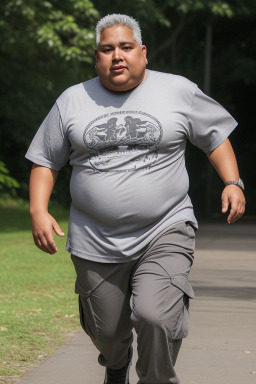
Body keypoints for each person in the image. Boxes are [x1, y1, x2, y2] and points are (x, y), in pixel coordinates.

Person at [25, 13, 245, 384]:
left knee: (154, 315)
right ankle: (116, 362)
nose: (117, 56)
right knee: (108, 334)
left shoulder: (177, 90)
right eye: (107, 49)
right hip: (94, 237)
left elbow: (215, 136)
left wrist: (233, 181)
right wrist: (37, 210)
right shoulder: (72, 100)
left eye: (126, 47)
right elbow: (45, 160)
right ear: (96, 58)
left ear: (143, 53)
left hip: (165, 227)